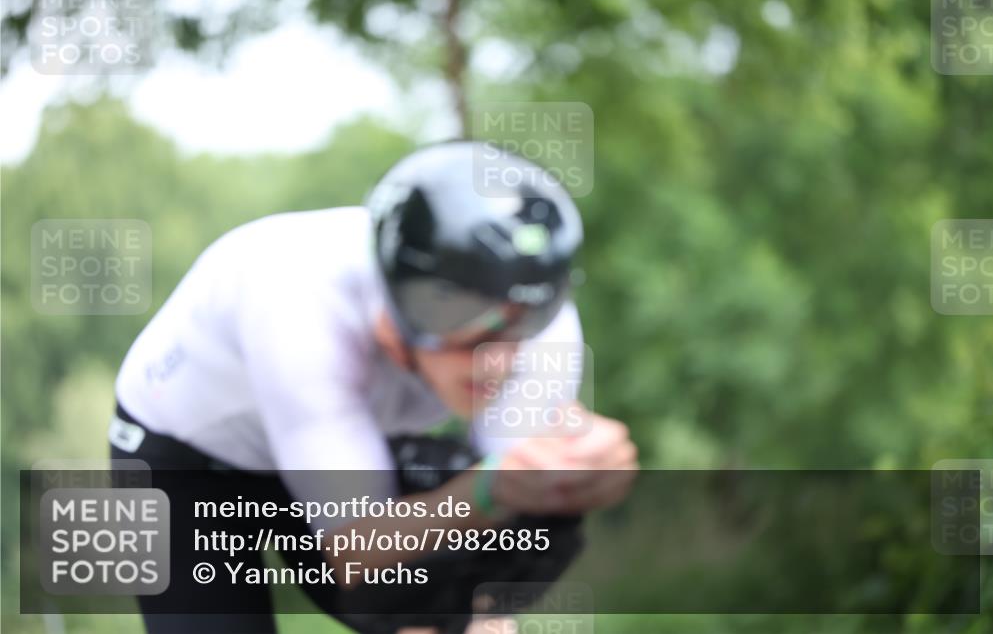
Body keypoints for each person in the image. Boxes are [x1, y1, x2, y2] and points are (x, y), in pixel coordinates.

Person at [110, 141, 638, 633]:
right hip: (185, 456)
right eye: (464, 329)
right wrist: (488, 487)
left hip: (344, 437)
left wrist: (576, 475)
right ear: (394, 316)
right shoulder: (298, 304)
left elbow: (504, 523)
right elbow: (353, 548)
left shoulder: (541, 322)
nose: (495, 361)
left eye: (519, 327)